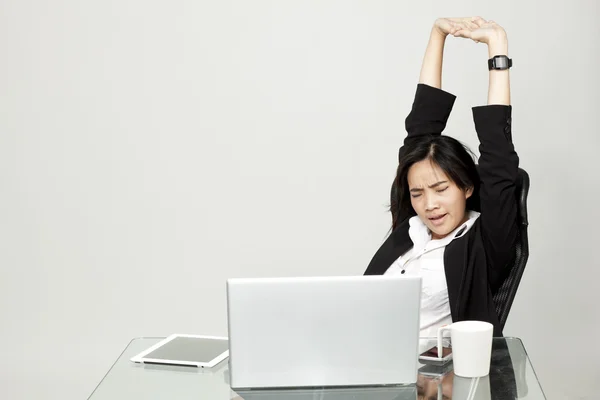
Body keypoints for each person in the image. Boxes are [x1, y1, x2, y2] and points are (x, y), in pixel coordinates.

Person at [364, 17, 519, 338]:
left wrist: (497, 45)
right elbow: (420, 128)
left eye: (440, 188)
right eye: (417, 193)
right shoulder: (410, 229)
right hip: (359, 354)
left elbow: (498, 159)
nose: (429, 205)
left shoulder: (482, 244)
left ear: (467, 186)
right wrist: (438, 34)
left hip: (431, 378)